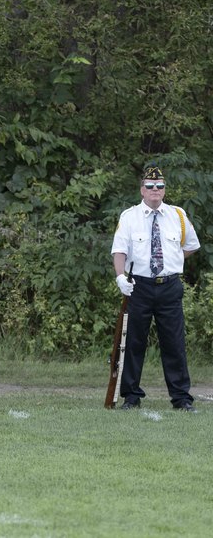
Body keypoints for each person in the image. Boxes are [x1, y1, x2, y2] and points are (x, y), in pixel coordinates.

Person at [111, 165, 200, 412]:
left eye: (159, 186)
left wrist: (173, 261)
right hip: (139, 287)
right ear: (142, 190)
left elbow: (191, 245)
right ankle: (131, 396)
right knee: (133, 343)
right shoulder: (129, 217)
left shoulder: (177, 215)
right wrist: (120, 277)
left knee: (174, 343)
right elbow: (119, 250)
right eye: (150, 186)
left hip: (169, 286)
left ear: (164, 190)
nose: (155, 190)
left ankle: (181, 398)